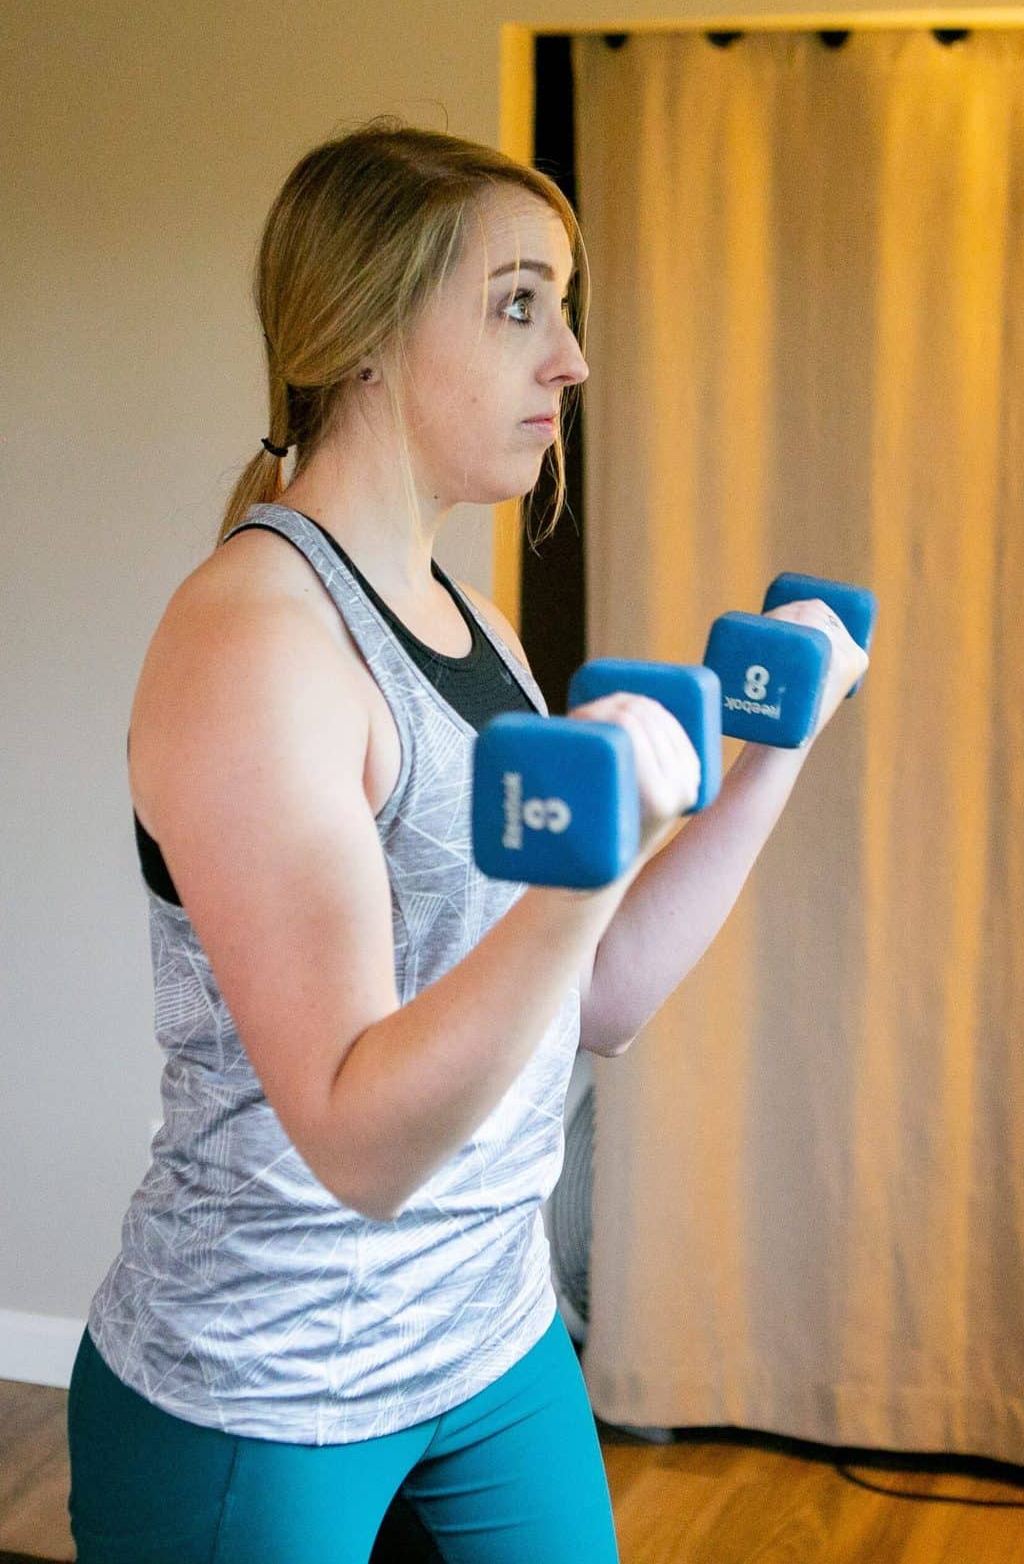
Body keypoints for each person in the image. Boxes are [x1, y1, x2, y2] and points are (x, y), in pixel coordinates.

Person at [65, 117, 868, 1564]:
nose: (568, 356)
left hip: (488, 1341)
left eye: (565, 306)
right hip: (272, 1381)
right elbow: (358, 1136)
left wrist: (770, 757)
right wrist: (588, 858)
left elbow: (595, 998)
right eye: (518, 304)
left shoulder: (472, 622)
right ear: (364, 335)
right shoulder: (256, 643)